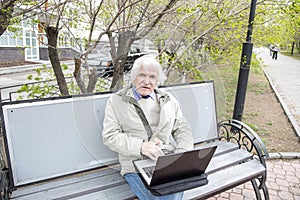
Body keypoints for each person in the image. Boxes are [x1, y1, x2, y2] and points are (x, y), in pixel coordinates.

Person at [102, 55, 194, 200]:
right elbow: (110, 136)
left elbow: (182, 128)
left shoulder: (168, 100)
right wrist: (141, 146)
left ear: (157, 80)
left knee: (171, 190)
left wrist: (182, 152)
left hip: (166, 160)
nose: (147, 81)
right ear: (133, 77)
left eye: (152, 76)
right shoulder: (116, 101)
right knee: (163, 196)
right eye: (142, 75)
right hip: (135, 165)